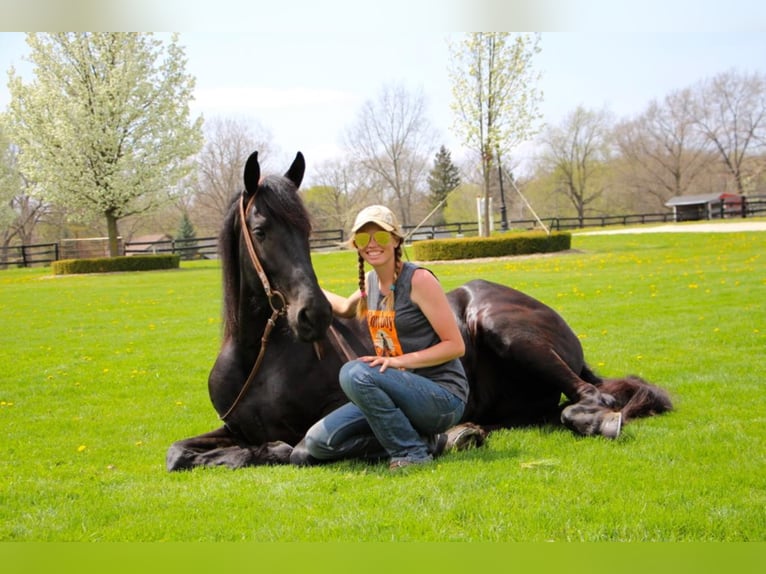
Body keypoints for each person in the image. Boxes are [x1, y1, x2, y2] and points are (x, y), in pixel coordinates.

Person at [290, 205, 484, 471]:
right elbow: (346, 307)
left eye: (380, 236)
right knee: (318, 442)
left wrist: (397, 362)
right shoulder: (371, 282)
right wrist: (301, 286)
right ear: (355, 245)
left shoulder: (418, 280)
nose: (372, 244)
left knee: (354, 373)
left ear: (395, 240)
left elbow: (455, 346)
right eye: (362, 238)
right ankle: (432, 443)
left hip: (440, 397)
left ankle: (412, 453)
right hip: (393, 394)